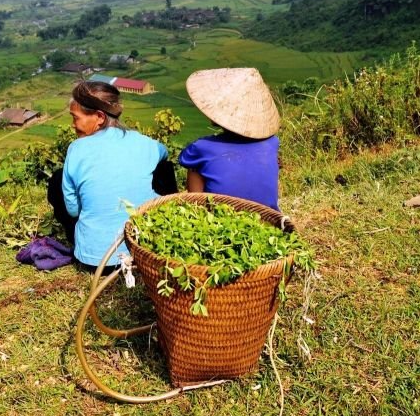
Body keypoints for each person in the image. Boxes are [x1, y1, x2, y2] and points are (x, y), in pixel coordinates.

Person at [48, 81, 171, 269]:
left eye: (75, 118)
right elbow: (164, 154)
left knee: (58, 178)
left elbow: (73, 211)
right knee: (164, 168)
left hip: (95, 261)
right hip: (145, 253)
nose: (73, 125)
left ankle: (92, 236)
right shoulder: (146, 143)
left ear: (99, 117)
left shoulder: (77, 148)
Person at [179, 68, 281, 210]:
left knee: (194, 167)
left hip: (222, 220)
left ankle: (198, 209)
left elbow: (187, 159)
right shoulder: (272, 143)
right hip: (268, 217)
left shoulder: (201, 148)